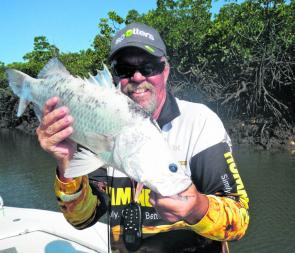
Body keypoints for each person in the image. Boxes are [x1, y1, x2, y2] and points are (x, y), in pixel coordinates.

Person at [36, 23, 249, 253]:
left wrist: (196, 208)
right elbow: (82, 220)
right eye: (124, 69)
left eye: (148, 67)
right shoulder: (102, 124)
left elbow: (239, 219)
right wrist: (65, 162)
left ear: (165, 70)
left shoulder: (199, 123)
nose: (137, 77)